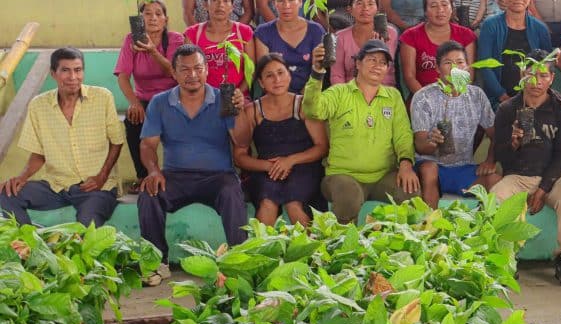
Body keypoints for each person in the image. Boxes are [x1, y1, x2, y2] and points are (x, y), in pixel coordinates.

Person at [137, 44, 248, 284]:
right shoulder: (159, 103)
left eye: (198, 68)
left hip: (218, 176)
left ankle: (239, 263)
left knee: (232, 192)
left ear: (207, 71)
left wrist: (238, 111)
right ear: (173, 74)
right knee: (149, 193)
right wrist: (154, 171)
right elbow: (147, 145)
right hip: (175, 176)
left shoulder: (223, 98)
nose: (192, 75)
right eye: (184, 70)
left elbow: (242, 141)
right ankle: (156, 263)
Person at [1, 48, 123, 227]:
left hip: (97, 187)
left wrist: (102, 176)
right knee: (6, 194)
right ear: (53, 73)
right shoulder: (39, 105)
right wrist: (22, 177)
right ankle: (31, 246)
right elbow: (39, 153)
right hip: (57, 186)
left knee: (85, 228)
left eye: (78, 70)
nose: (73, 77)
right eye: (65, 70)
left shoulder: (102, 97)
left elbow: (117, 141)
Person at [303, 39, 420, 223]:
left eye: (383, 62)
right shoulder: (339, 92)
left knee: (409, 189)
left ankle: (391, 247)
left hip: (383, 176)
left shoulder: (393, 96)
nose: (377, 66)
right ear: (358, 63)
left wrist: (406, 163)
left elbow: (403, 134)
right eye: (372, 59)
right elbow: (312, 110)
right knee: (349, 195)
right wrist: (317, 72)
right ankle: (345, 247)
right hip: (342, 176)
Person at [492, 50, 561, 286]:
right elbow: (499, 154)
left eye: (543, 75)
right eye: (531, 75)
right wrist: (512, 143)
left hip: (552, 176)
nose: (536, 82)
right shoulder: (507, 109)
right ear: (522, 75)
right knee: (495, 198)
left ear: (552, 78)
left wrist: (544, 188)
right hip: (518, 176)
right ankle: (506, 258)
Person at [231, 54, 328, 226]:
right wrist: (270, 166)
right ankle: (260, 251)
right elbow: (239, 156)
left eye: (281, 73)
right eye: (269, 75)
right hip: (267, 171)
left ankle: (312, 251)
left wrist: (290, 160)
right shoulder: (252, 110)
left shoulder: (304, 105)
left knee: (294, 203)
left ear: (289, 76)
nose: (277, 79)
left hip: (303, 168)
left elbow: (322, 147)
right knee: (268, 202)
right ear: (261, 83)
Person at [411, 41, 500, 208]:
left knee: (495, 181)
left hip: (463, 167)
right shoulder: (423, 97)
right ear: (437, 68)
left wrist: (490, 160)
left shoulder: (476, 95)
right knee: (428, 169)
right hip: (432, 166)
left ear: (467, 67)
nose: (454, 68)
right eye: (447, 63)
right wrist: (432, 141)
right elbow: (420, 146)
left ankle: (484, 230)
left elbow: (495, 133)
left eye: (460, 62)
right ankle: (431, 226)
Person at [115, 0, 184, 185]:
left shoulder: (176, 39)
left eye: (158, 14)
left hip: (172, 98)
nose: (153, 18)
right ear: (140, 19)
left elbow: (176, 72)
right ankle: (143, 176)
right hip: (145, 99)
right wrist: (134, 102)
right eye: (147, 13)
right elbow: (123, 76)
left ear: (166, 19)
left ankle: (178, 174)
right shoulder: (131, 40)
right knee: (132, 120)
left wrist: (153, 51)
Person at [477, 0, 553, 106]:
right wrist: (501, 95)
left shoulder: (540, 28)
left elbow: (548, 66)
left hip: (533, 98)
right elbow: (485, 64)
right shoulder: (490, 25)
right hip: (499, 99)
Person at [398, 0, 476, 94]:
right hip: (423, 99)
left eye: (444, 4)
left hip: (458, 97)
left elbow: (469, 73)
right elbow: (409, 76)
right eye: (433, 6)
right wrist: (428, 101)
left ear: (452, 8)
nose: (440, 10)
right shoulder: (410, 36)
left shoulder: (466, 35)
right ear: (425, 11)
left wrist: (455, 97)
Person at [254, 0, 326, 93]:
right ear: (274, 3)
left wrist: (302, 99)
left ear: (300, 0)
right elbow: (266, 72)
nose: (286, 5)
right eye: (280, 0)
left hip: (309, 96)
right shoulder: (263, 32)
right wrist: (286, 101)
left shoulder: (316, 30)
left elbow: (318, 70)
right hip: (275, 96)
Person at [184, 0, 256, 95]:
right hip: (202, 97)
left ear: (232, 7)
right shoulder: (193, 34)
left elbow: (251, 70)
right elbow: (187, 70)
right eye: (214, 0)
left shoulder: (244, 32)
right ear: (205, 5)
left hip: (238, 97)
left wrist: (238, 93)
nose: (220, 5)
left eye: (226, 0)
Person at [330, 0, 400, 87]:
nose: (365, 8)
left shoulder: (389, 33)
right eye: (359, 3)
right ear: (350, 9)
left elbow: (385, 72)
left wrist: (378, 50)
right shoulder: (340, 37)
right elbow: (337, 76)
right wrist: (345, 97)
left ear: (377, 9)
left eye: (370, 4)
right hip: (349, 94)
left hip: (382, 92)